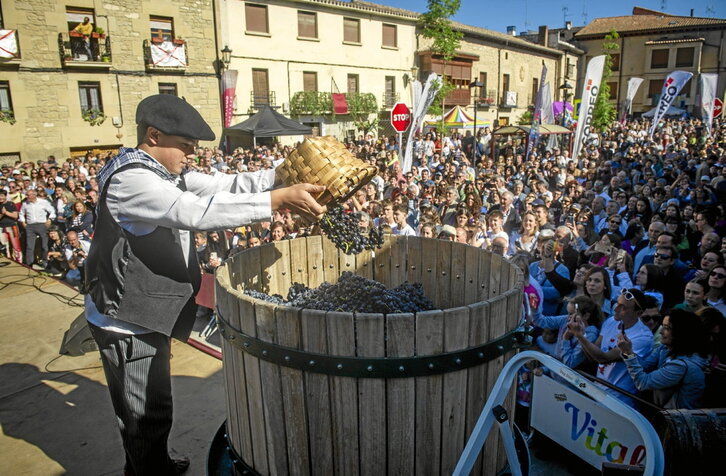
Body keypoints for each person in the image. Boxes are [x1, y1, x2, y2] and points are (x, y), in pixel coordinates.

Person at [84, 94, 325, 475]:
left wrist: (283, 176)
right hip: (127, 321)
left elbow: (226, 185)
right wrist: (276, 201)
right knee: (145, 414)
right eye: (185, 146)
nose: (190, 155)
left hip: (144, 314)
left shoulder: (165, 172)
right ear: (153, 136)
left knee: (154, 406)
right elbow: (194, 212)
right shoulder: (132, 180)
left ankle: (155, 463)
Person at [570, 288, 653, 407]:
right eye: (617, 303)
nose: (616, 309)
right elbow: (592, 354)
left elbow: (603, 358)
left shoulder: (643, 337)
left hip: (620, 399)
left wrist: (579, 335)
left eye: (623, 307)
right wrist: (581, 334)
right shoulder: (611, 321)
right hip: (599, 390)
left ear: (638, 313)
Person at [618, 309, 708, 409]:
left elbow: (643, 383)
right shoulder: (665, 348)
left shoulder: (681, 366)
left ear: (680, 333)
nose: (660, 331)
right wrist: (628, 351)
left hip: (677, 420)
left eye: (667, 328)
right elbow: (644, 366)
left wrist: (629, 354)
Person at [18, 188, 56, 268]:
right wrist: (23, 222)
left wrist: (49, 219)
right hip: (30, 226)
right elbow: (21, 213)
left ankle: (45, 261)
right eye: (27, 195)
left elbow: (52, 211)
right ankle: (29, 263)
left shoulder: (43, 202)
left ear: (34, 195)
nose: (27, 196)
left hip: (42, 225)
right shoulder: (25, 204)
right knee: (30, 246)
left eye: (28, 195)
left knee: (44, 245)